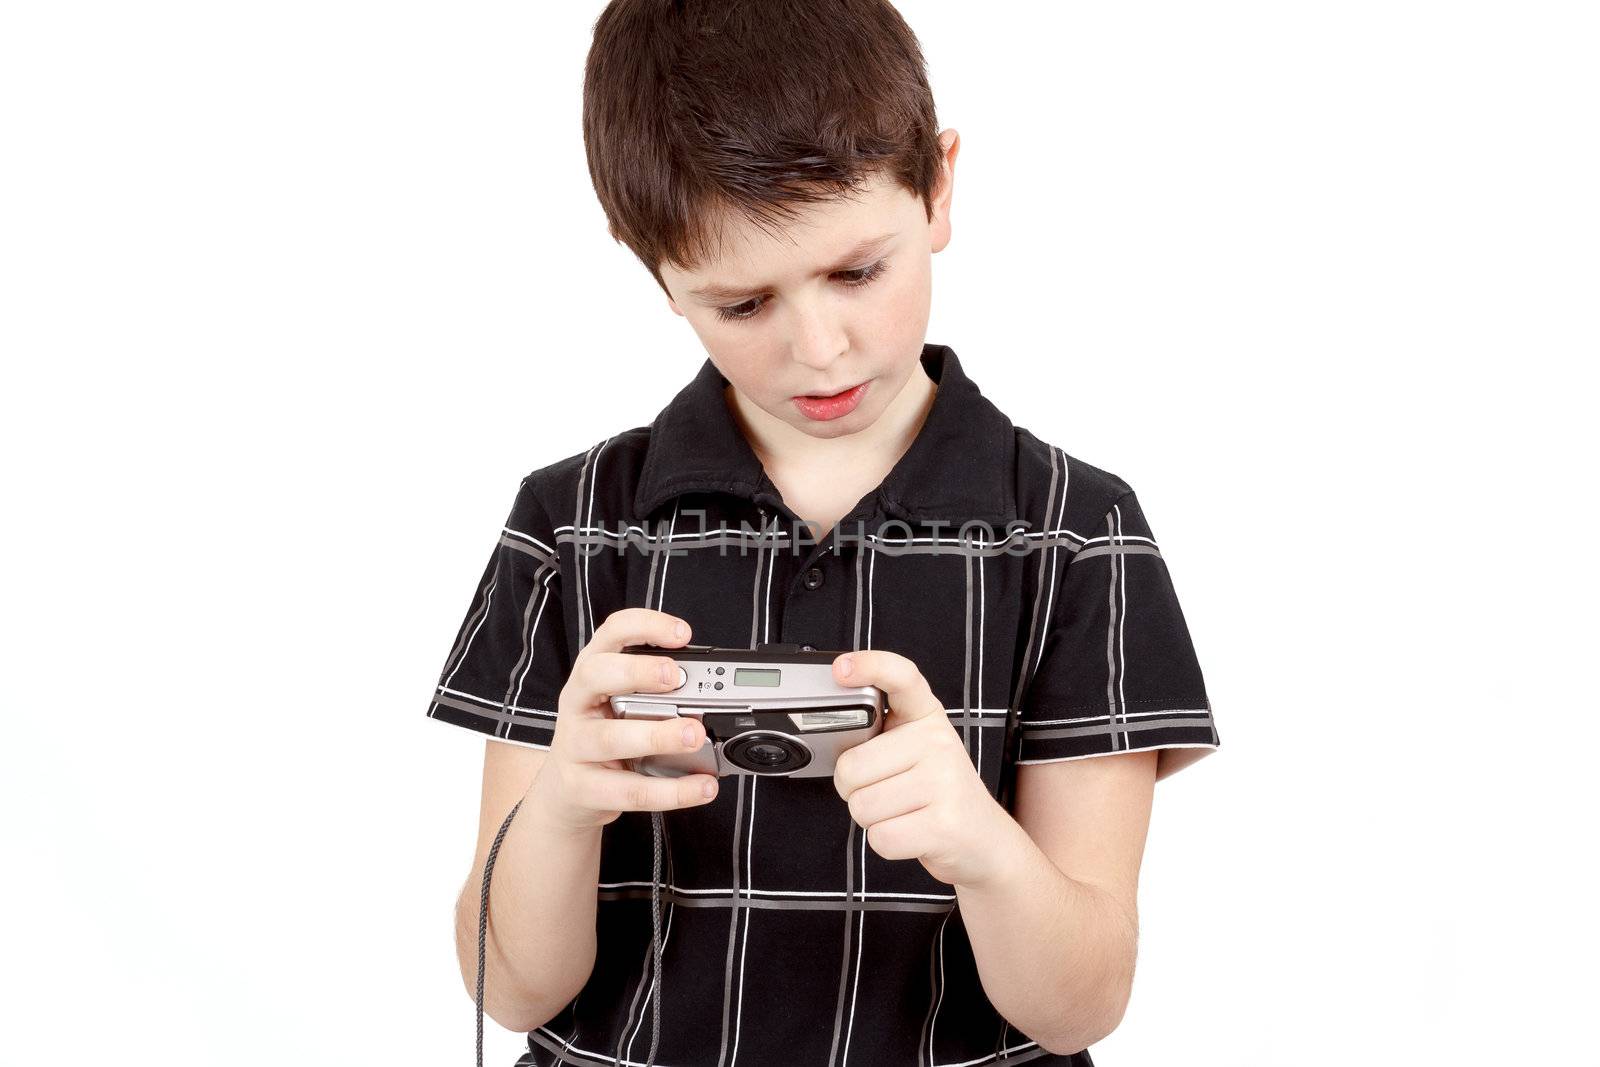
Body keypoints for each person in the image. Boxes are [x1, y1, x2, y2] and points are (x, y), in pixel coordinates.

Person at [426, 2, 1221, 1064]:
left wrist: (983, 847)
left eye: (856, 271)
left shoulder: (1077, 533)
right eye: (743, 304)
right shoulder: (572, 526)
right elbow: (513, 987)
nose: (820, 345)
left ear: (938, 184)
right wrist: (562, 808)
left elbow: (1078, 1005)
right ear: (655, 270)